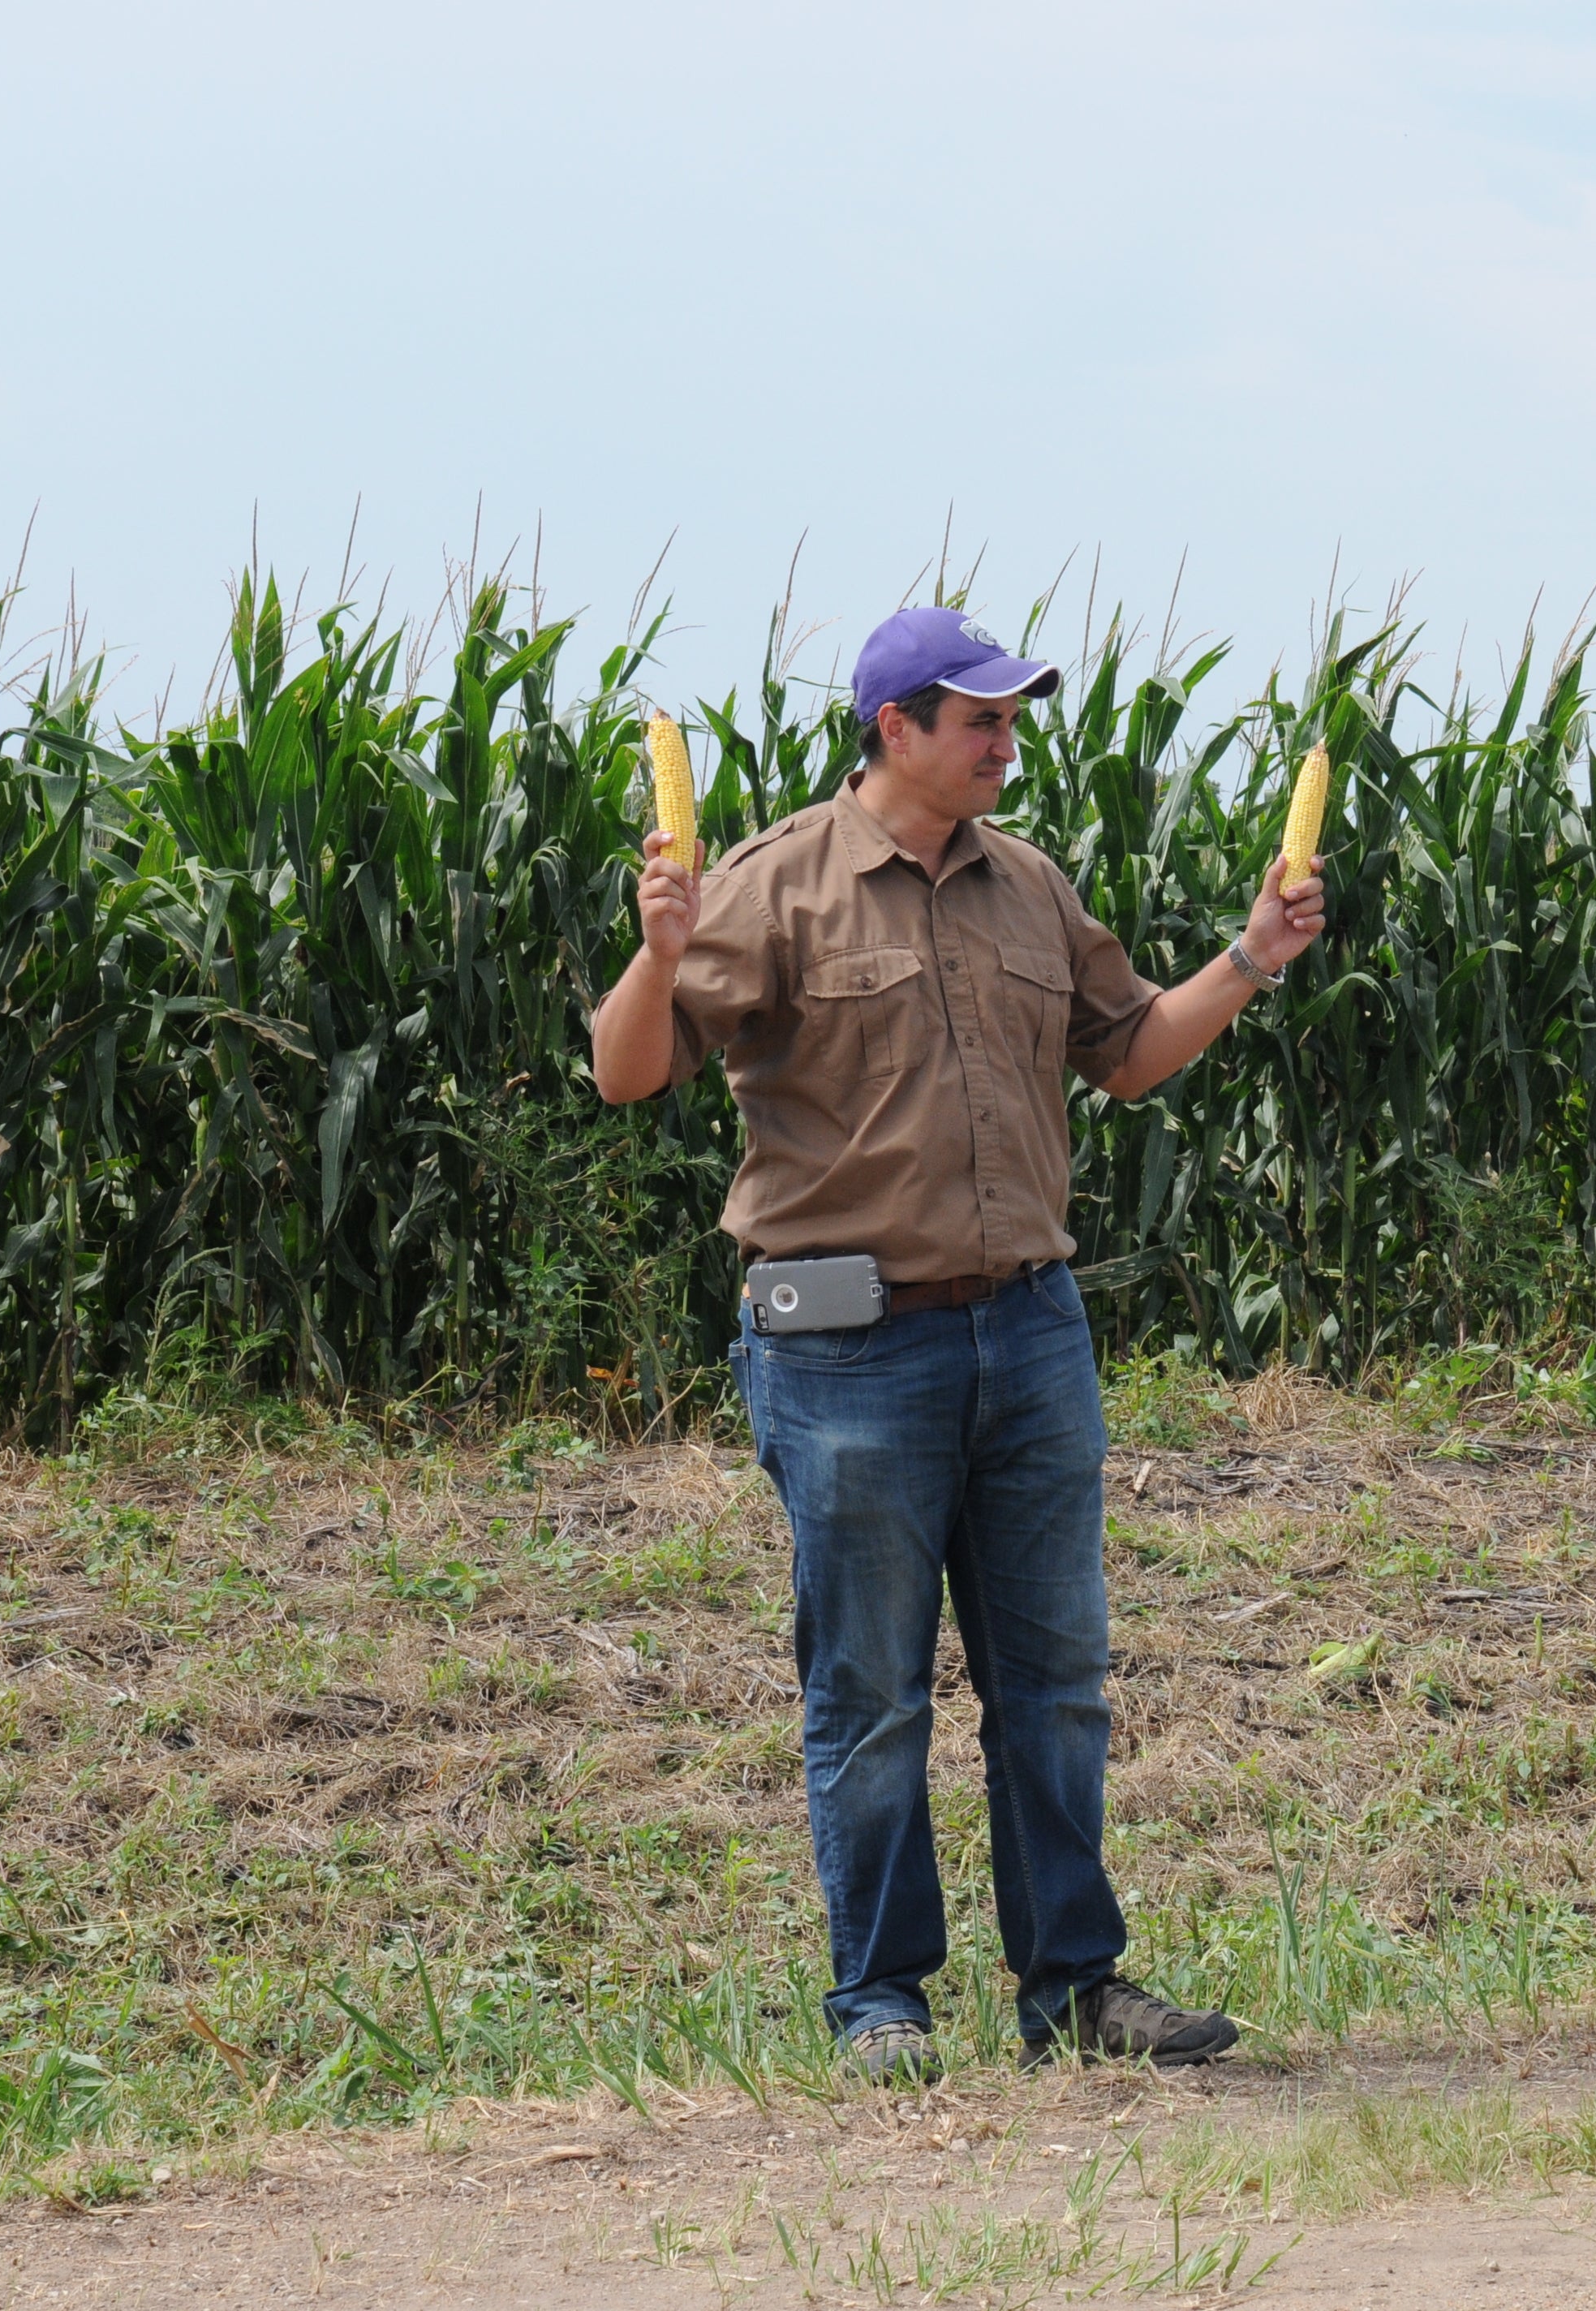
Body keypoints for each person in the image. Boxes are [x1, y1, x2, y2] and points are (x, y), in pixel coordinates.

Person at [589, 607, 1327, 2080]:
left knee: (1056, 1684)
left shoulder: (1030, 888)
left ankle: (1076, 1988)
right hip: (848, 1354)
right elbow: (629, 1076)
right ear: (897, 729)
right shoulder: (774, 888)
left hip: (1030, 1336)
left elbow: (1126, 1058)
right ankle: (882, 2006)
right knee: (870, 1693)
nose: (1008, 741)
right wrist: (659, 957)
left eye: (1010, 717)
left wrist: (1250, 957)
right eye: (981, 719)